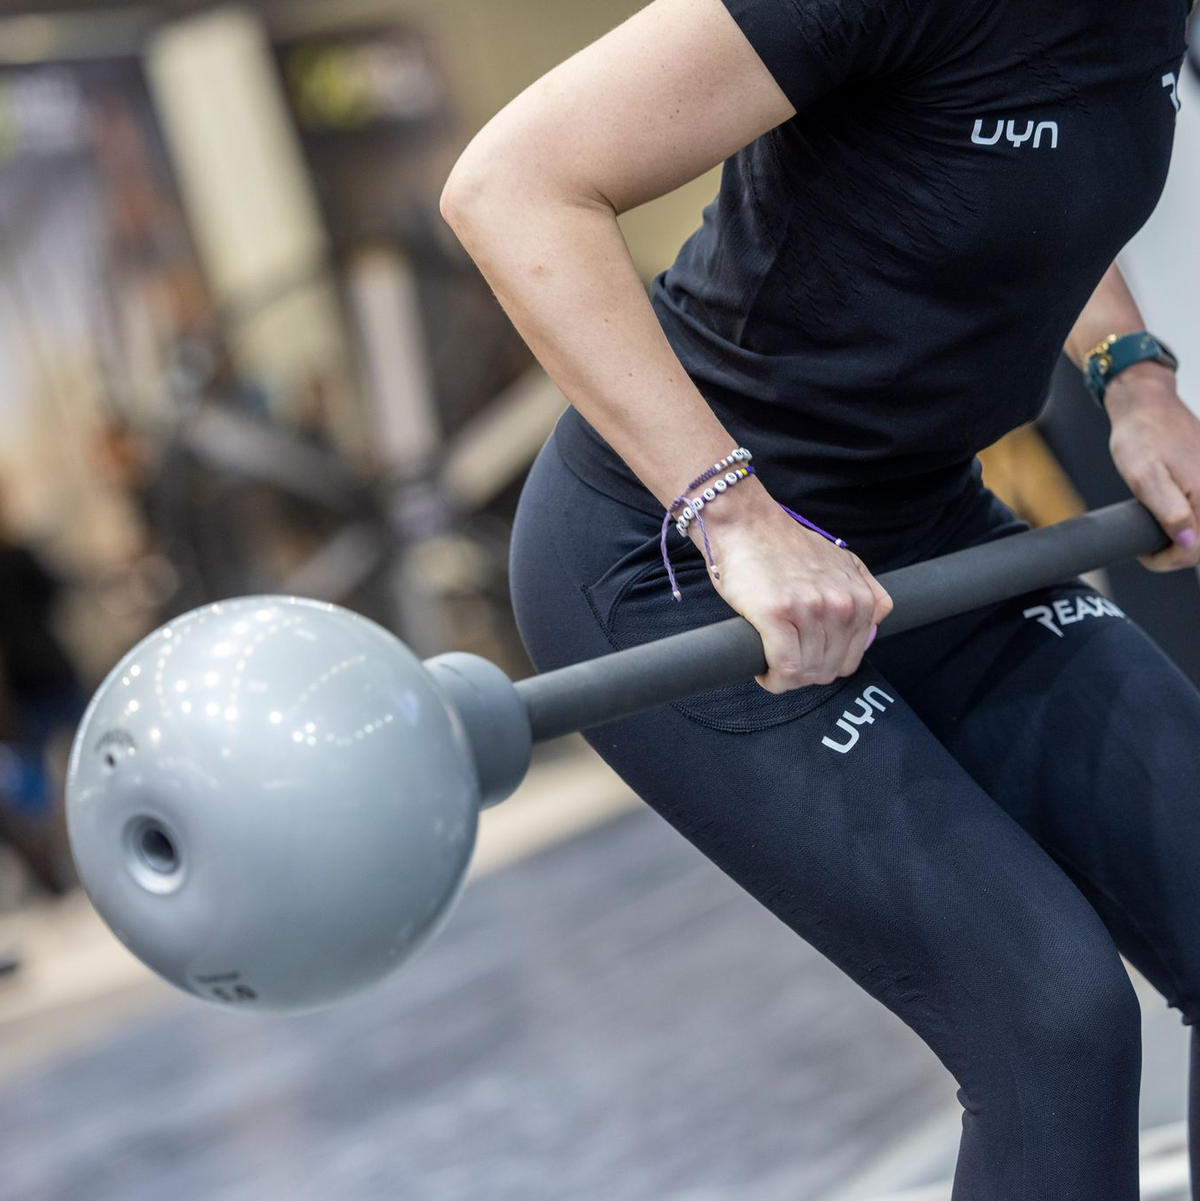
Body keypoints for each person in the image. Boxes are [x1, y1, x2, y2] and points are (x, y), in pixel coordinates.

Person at [440, 2, 1200, 1195]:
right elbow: (510, 184)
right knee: (1048, 1015)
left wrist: (1134, 380)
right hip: (675, 565)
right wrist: (736, 518)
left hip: (920, 529)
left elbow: (1064, 175)